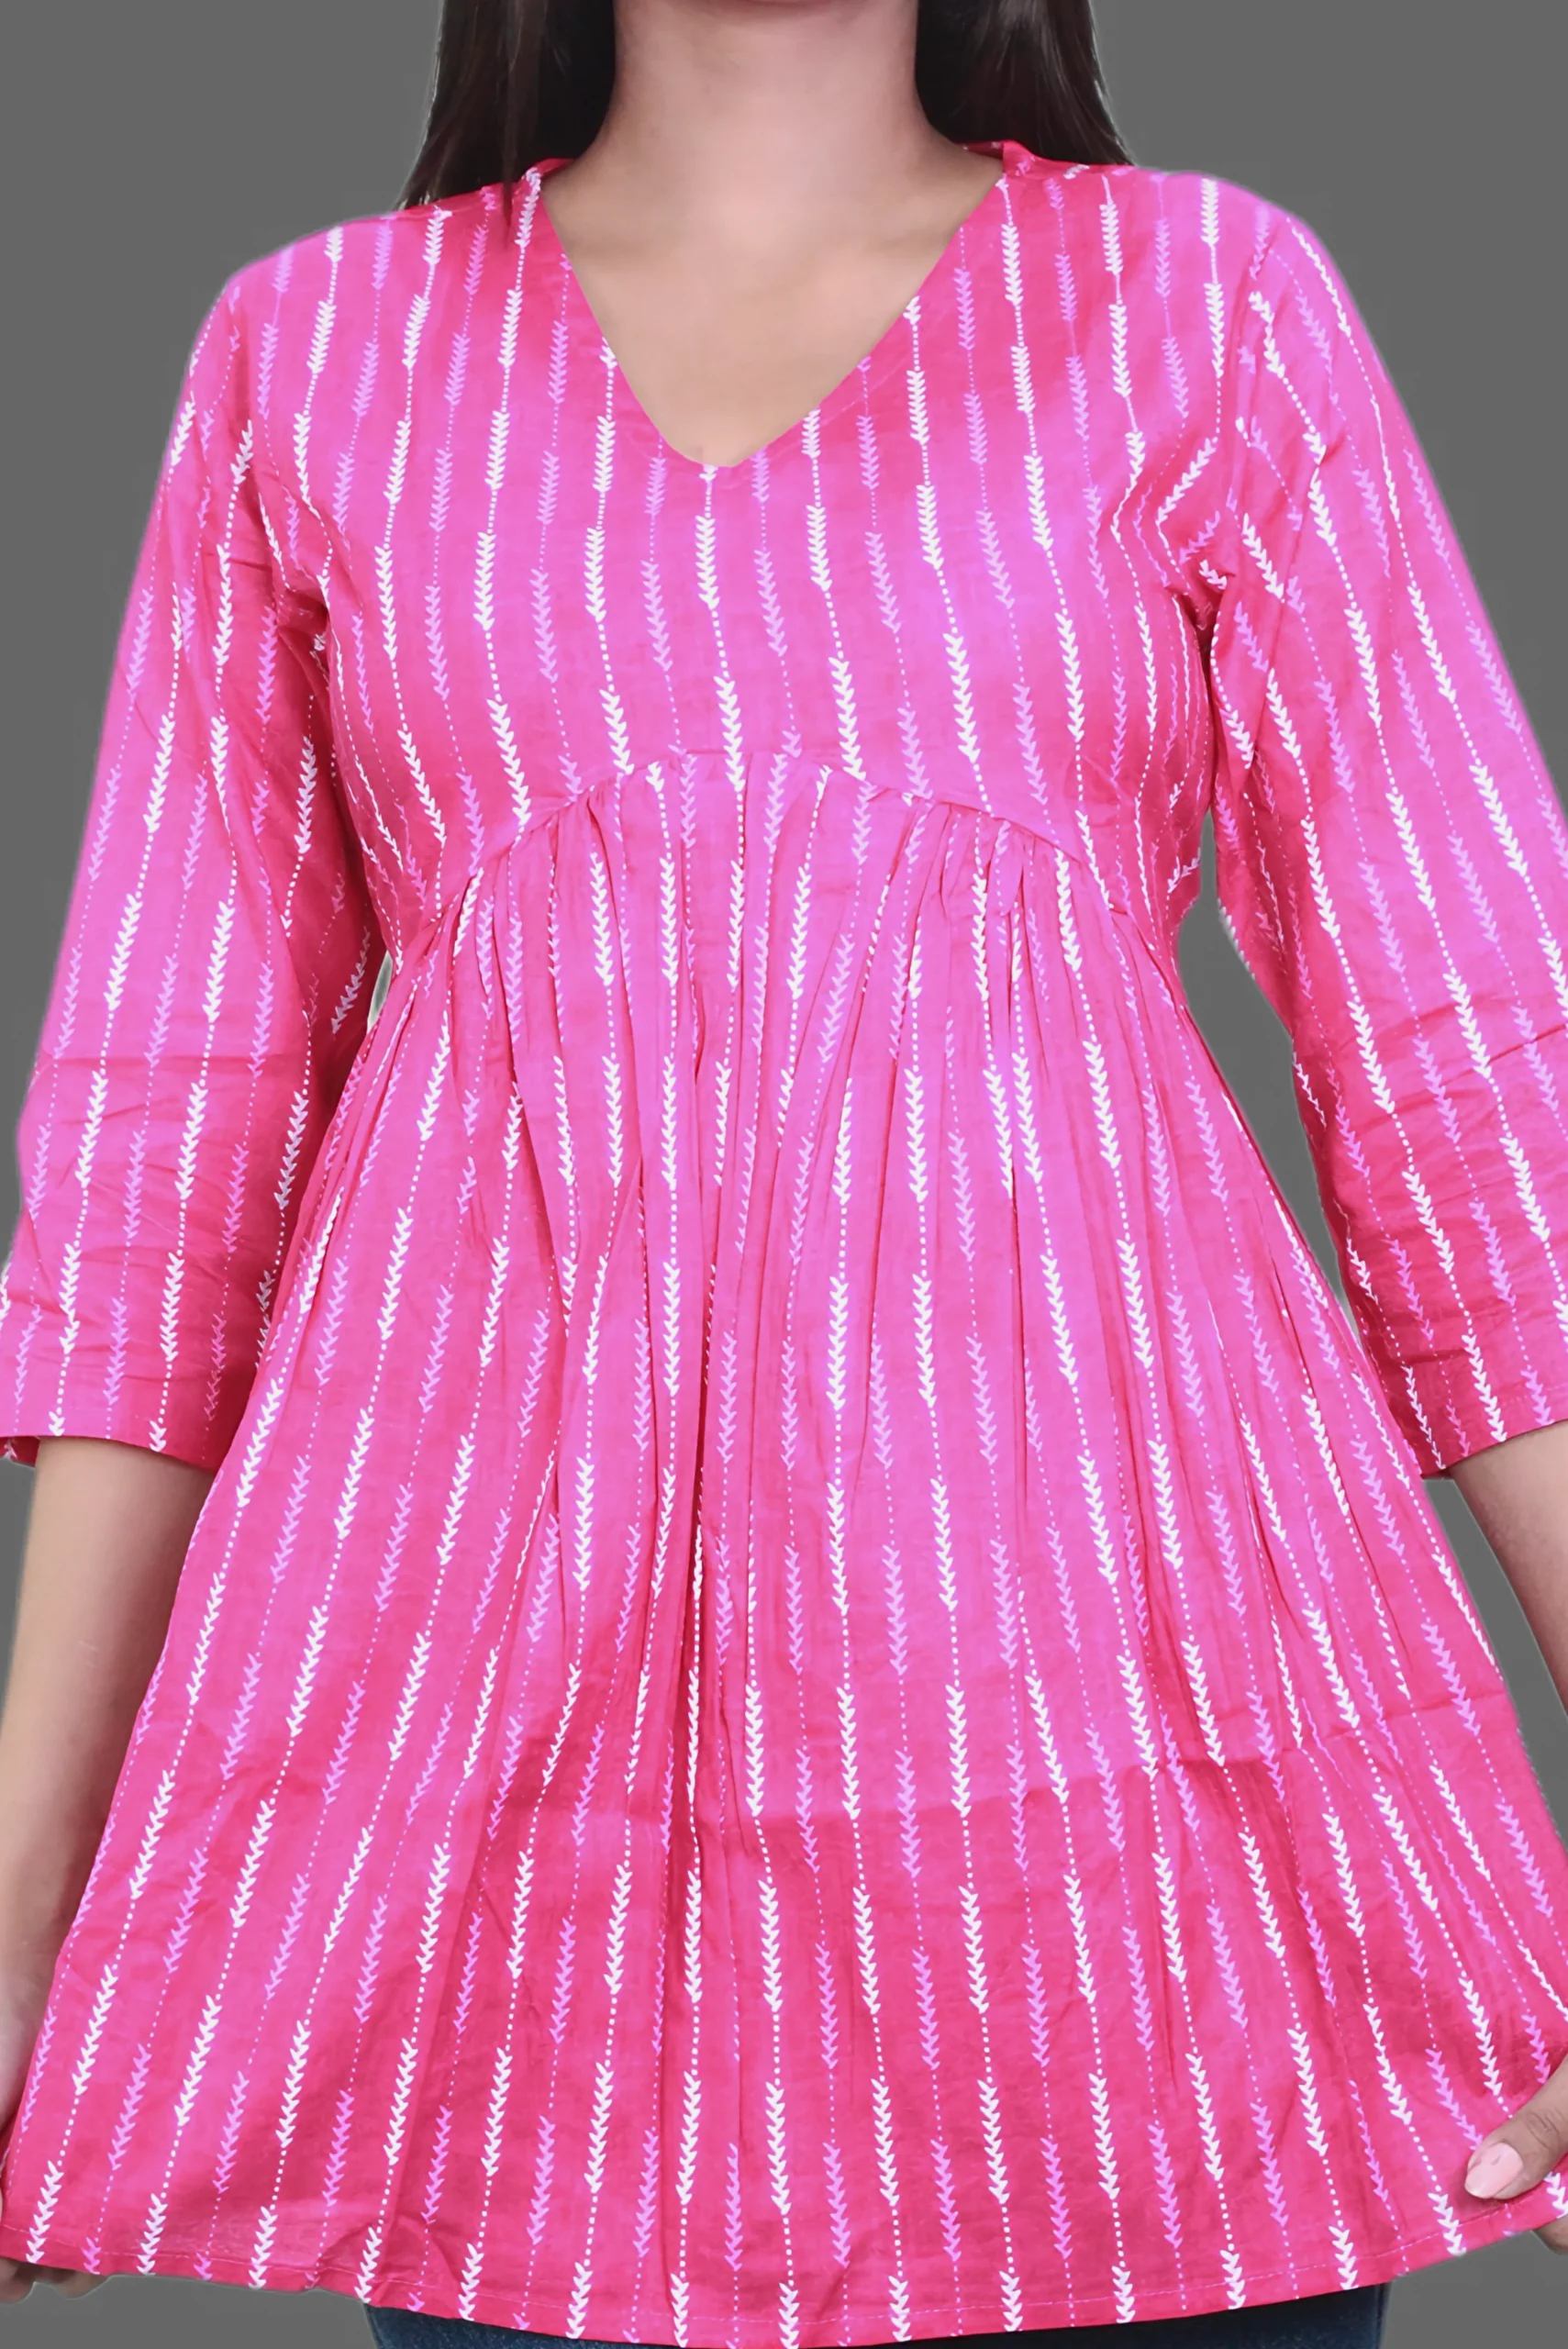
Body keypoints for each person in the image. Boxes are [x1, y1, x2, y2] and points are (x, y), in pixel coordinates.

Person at [1, 0, 1568, 2343]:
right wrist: (23, 1905)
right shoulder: (307, 355)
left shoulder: (1208, 301)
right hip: (500, 1855)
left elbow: (1471, 1092)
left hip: (1144, 1830)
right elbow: (168, 1141)